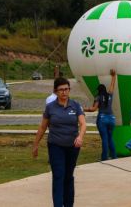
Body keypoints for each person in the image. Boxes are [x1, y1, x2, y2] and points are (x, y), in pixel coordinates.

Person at [32, 77, 86, 207]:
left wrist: (80, 137)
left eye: (66, 89)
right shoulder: (50, 107)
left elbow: (83, 124)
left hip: (72, 147)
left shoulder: (76, 105)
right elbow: (43, 127)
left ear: (69, 90)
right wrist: (36, 144)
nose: (64, 92)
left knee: (68, 176)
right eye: (61, 90)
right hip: (56, 146)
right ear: (55, 91)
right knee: (58, 176)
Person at [84, 69, 117, 161]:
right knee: (110, 138)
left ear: (98, 90)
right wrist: (113, 76)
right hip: (112, 118)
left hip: (102, 118)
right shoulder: (109, 95)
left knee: (105, 139)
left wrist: (83, 108)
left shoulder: (98, 97)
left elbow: (94, 109)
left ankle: (104, 158)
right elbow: (112, 86)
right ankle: (114, 156)